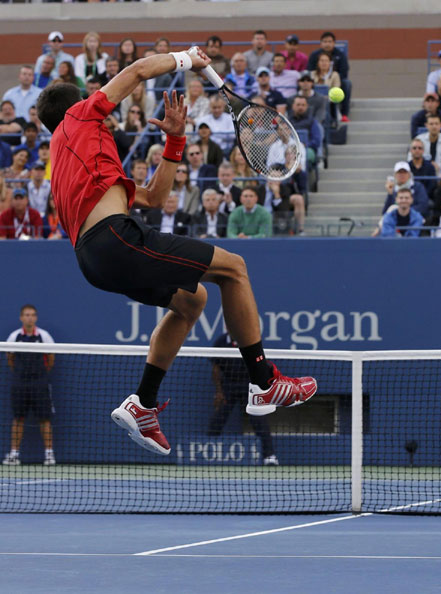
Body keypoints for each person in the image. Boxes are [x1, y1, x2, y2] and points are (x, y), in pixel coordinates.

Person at [36, 48, 317, 456]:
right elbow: (136, 70)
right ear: (77, 105)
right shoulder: (80, 118)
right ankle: (264, 381)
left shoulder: (75, 155)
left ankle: (143, 404)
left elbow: (153, 197)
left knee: (192, 300)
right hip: (115, 239)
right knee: (234, 269)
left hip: (92, 258)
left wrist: (175, 139)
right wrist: (187, 56)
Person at [208, 330, 278, 465]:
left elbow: (261, 364)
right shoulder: (221, 342)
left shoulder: (250, 338)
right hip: (228, 386)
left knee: (259, 420)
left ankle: (270, 456)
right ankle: (207, 451)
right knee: (218, 419)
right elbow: (216, 369)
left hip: (250, 385)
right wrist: (219, 392)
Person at [2, 305, 56, 466]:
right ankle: (14, 455)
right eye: (26, 315)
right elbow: (10, 358)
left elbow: (51, 358)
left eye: (32, 315)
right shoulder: (14, 336)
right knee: (18, 418)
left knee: (44, 419)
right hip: (20, 383)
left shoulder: (44, 336)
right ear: (21, 318)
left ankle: (49, 455)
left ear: (36, 318)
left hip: (40, 382)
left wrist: (40, 373)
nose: (29, 318)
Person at [308, 31, 351, 120]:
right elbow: (309, 70)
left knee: (347, 83)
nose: (327, 44)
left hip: (334, 83)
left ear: (334, 43)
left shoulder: (340, 55)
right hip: (317, 84)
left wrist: (332, 79)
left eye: (330, 41)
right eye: (325, 41)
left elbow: (344, 72)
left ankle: (344, 114)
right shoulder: (314, 55)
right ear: (321, 43)